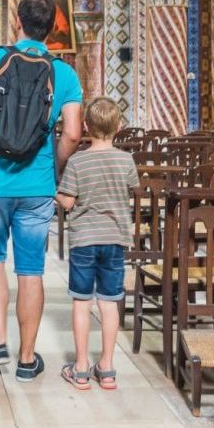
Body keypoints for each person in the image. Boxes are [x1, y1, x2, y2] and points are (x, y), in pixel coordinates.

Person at [0, 0, 83, 381]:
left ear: (17, 22)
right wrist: (55, 167)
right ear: (53, 27)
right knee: (31, 270)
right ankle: (27, 359)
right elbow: (74, 134)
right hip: (36, 185)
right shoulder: (63, 72)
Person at [54, 97, 136, 390]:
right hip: (114, 239)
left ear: (86, 126)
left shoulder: (77, 161)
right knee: (109, 303)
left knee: (81, 302)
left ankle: (80, 368)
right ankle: (108, 366)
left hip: (84, 240)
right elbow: (131, 188)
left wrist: (54, 193)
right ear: (119, 127)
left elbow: (69, 201)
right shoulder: (126, 160)